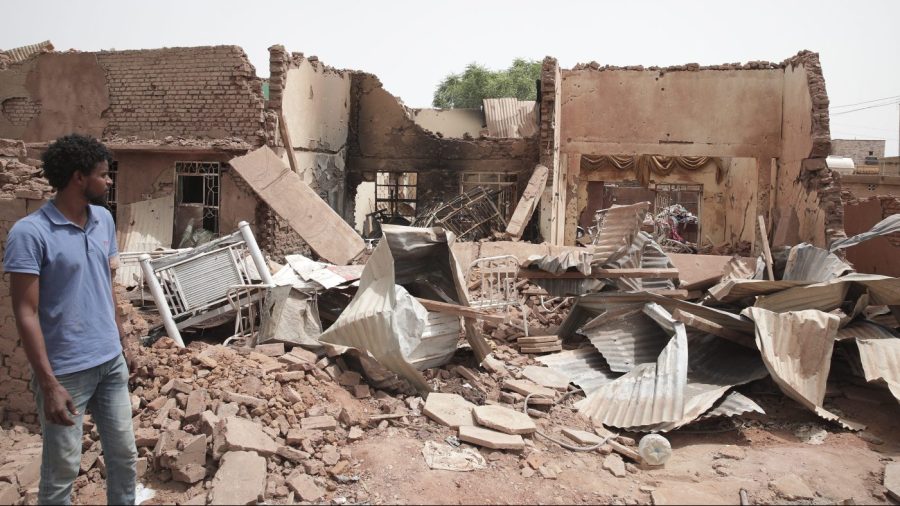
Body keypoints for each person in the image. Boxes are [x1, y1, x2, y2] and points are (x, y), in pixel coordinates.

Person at [4, 134, 137, 505]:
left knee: (125, 457)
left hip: (109, 363)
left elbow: (106, 286)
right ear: (79, 178)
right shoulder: (30, 234)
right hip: (64, 372)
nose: (109, 181)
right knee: (63, 470)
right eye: (103, 174)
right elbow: (25, 312)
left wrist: (122, 341)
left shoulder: (104, 220)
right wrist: (48, 384)